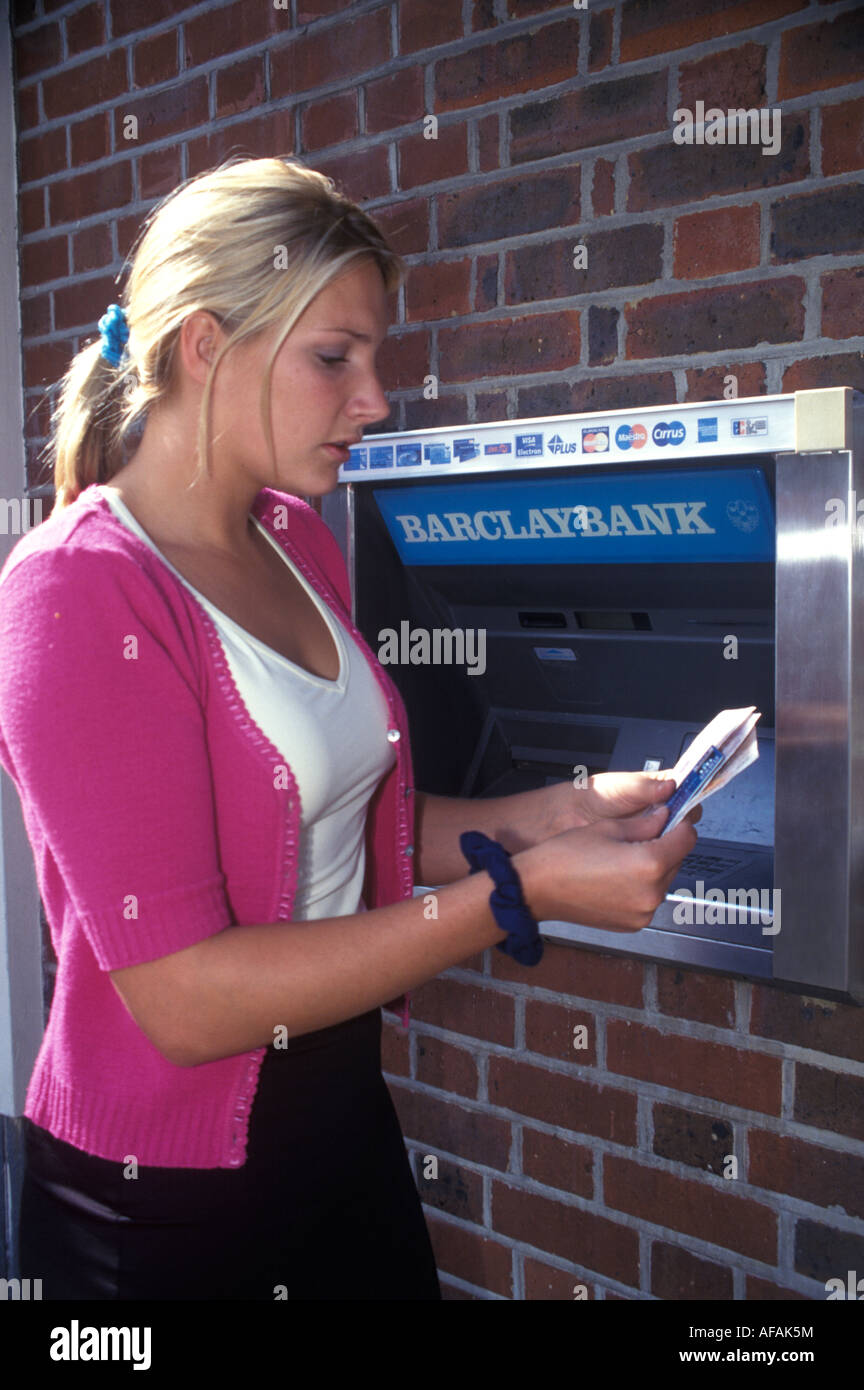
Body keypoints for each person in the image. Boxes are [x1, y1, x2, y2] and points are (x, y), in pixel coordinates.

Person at [0, 156, 699, 1301]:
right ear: (204, 347)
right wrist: (509, 899)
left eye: (374, 359)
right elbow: (183, 997)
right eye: (336, 358)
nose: (374, 398)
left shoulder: (294, 538)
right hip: (162, 1199)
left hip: (338, 1114)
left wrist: (550, 816)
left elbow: (344, 823)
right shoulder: (77, 591)